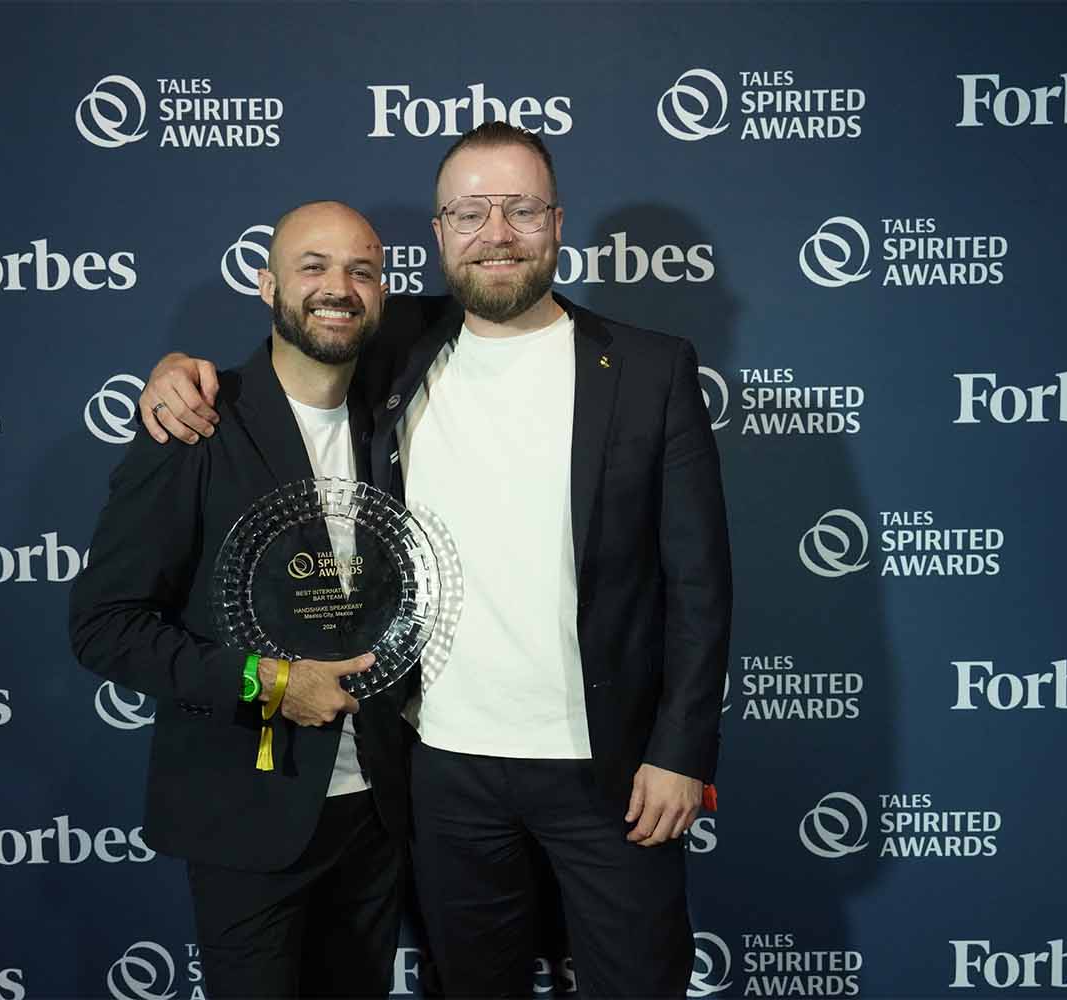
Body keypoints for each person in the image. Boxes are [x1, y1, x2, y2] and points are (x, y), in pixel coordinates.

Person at [141, 123, 732, 998]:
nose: (497, 233)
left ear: (558, 222)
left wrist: (682, 751)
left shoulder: (648, 368)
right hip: (441, 768)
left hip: (613, 771)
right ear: (439, 233)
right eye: (471, 212)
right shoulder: (395, 346)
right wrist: (177, 373)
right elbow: (298, 343)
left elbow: (700, 580)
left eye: (522, 209)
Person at [69, 201, 414, 998]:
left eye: (362, 270)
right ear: (266, 286)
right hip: (248, 812)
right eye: (313, 267)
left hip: (378, 815)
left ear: (385, 292)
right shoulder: (196, 419)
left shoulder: (398, 417)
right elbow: (103, 626)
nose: (339, 287)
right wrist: (272, 681)